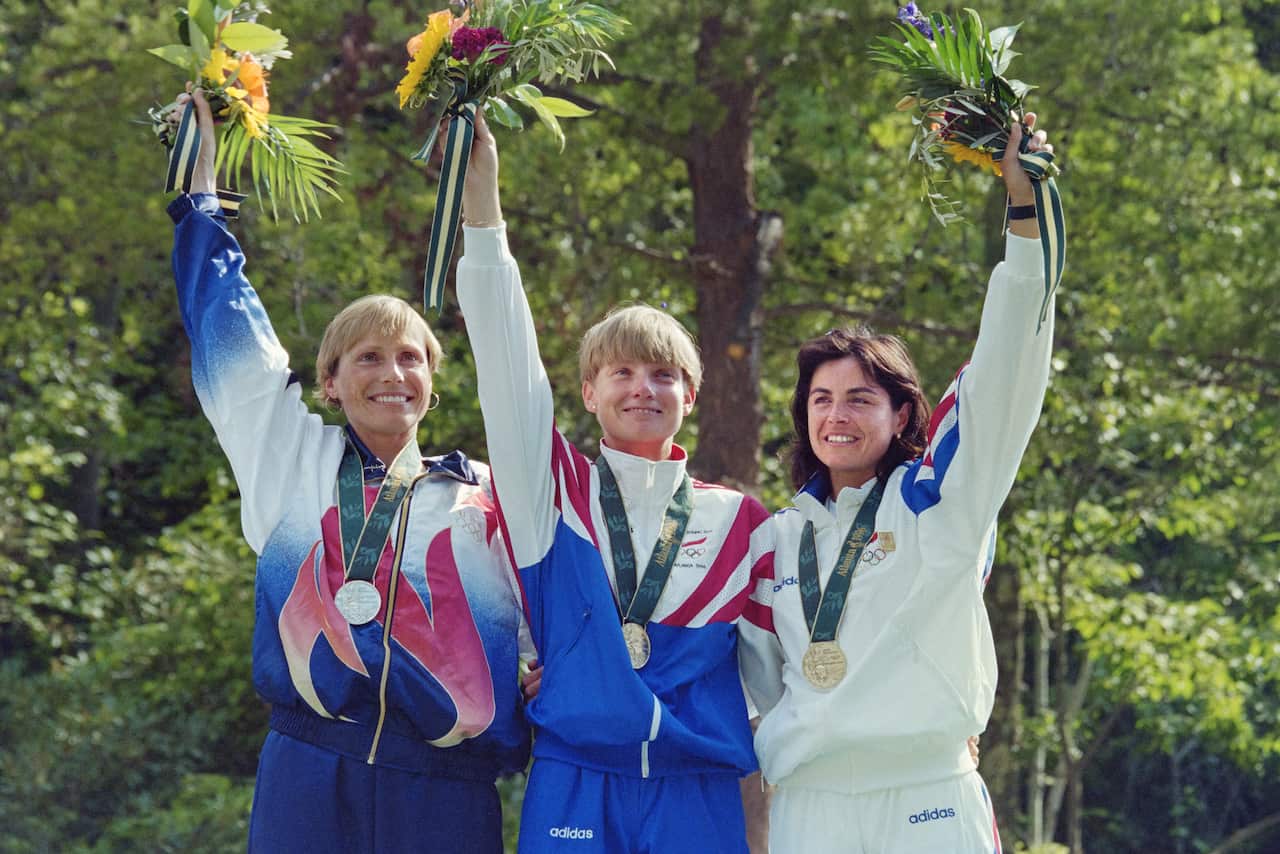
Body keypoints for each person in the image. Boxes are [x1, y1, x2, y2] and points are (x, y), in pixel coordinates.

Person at [165, 89, 530, 853]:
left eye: (410, 357)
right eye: (367, 357)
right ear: (329, 382)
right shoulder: (292, 461)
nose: (390, 373)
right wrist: (202, 202)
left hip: (448, 793)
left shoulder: (488, 496)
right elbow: (232, 340)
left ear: (434, 379)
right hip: (309, 773)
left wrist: (542, 669)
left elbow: (550, 620)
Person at [453, 114, 776, 853]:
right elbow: (506, 364)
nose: (642, 387)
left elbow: (777, 671)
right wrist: (483, 208)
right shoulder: (553, 494)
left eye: (663, 373)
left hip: (695, 786)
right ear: (589, 393)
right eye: (620, 372)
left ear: (689, 396)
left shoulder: (742, 522)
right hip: (576, 775)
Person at [739, 114, 1058, 853]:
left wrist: (1024, 220)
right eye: (821, 400)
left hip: (927, 796)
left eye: (859, 399)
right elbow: (732, 674)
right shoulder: (775, 539)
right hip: (810, 803)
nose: (836, 416)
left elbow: (1005, 373)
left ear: (903, 411)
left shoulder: (939, 499)